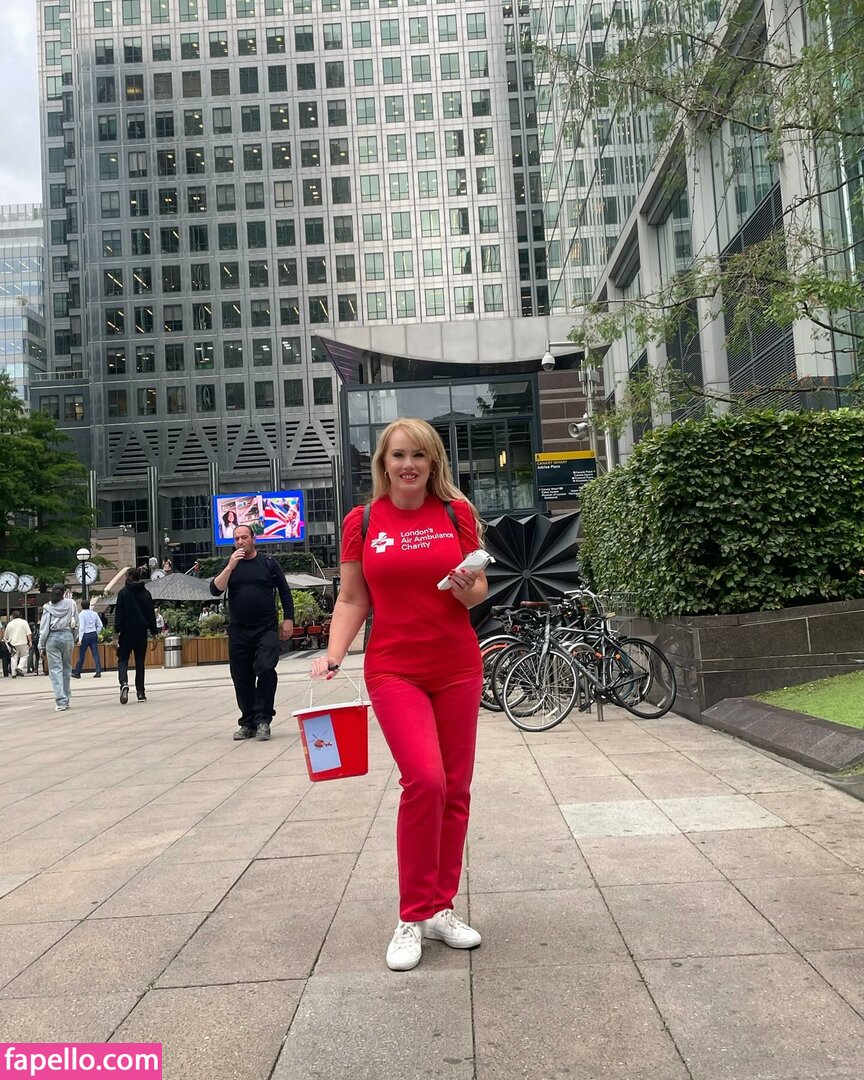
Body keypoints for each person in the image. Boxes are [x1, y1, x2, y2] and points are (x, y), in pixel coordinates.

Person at [310, 418, 489, 972]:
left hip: (457, 667)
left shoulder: (456, 514)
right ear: (383, 464)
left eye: (418, 455)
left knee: (455, 788)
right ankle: (411, 916)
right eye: (398, 455)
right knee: (425, 780)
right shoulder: (362, 521)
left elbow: (479, 592)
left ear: (433, 463)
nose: (408, 464)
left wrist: (467, 586)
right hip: (394, 670)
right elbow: (351, 598)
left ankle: (440, 908)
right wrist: (334, 653)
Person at [210, 523, 295, 741]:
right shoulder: (230, 564)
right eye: (236, 538)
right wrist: (230, 567)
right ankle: (247, 722)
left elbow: (284, 591)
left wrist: (288, 619)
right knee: (241, 676)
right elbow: (215, 589)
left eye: (244, 537)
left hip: (266, 628)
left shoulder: (268, 562)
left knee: (266, 669)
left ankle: (263, 719)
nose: (240, 542)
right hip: (239, 630)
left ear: (253, 539)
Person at [114, 566, 157, 703]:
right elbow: (151, 615)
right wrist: (154, 634)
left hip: (126, 632)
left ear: (129, 577)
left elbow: (119, 615)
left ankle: (124, 683)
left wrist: (116, 634)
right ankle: (140, 692)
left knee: (123, 659)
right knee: (140, 662)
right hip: (141, 632)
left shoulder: (123, 593)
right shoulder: (146, 593)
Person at [38, 585, 78, 711]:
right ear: (63, 593)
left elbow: (44, 628)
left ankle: (61, 701)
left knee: (55, 670)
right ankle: (66, 698)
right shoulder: (71, 603)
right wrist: (74, 637)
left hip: (52, 637)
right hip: (67, 636)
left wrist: (41, 645)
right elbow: (76, 622)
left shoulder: (48, 607)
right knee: (67, 668)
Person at [72, 599, 103, 679]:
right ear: (89, 605)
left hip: (85, 635)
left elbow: (81, 627)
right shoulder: (94, 613)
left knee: (82, 654)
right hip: (93, 634)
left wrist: (80, 639)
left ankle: (77, 672)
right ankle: (98, 671)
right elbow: (100, 624)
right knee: (95, 653)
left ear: (81, 606)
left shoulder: (81, 615)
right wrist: (97, 632)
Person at [3, 610, 32, 678]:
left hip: (13, 643)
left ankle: (13, 673)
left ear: (13, 616)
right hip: (23, 642)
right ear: (20, 615)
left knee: (14, 657)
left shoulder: (9, 624)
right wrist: (30, 641)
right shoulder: (24, 622)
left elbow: (5, 636)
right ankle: (20, 667)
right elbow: (28, 633)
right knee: (25, 656)